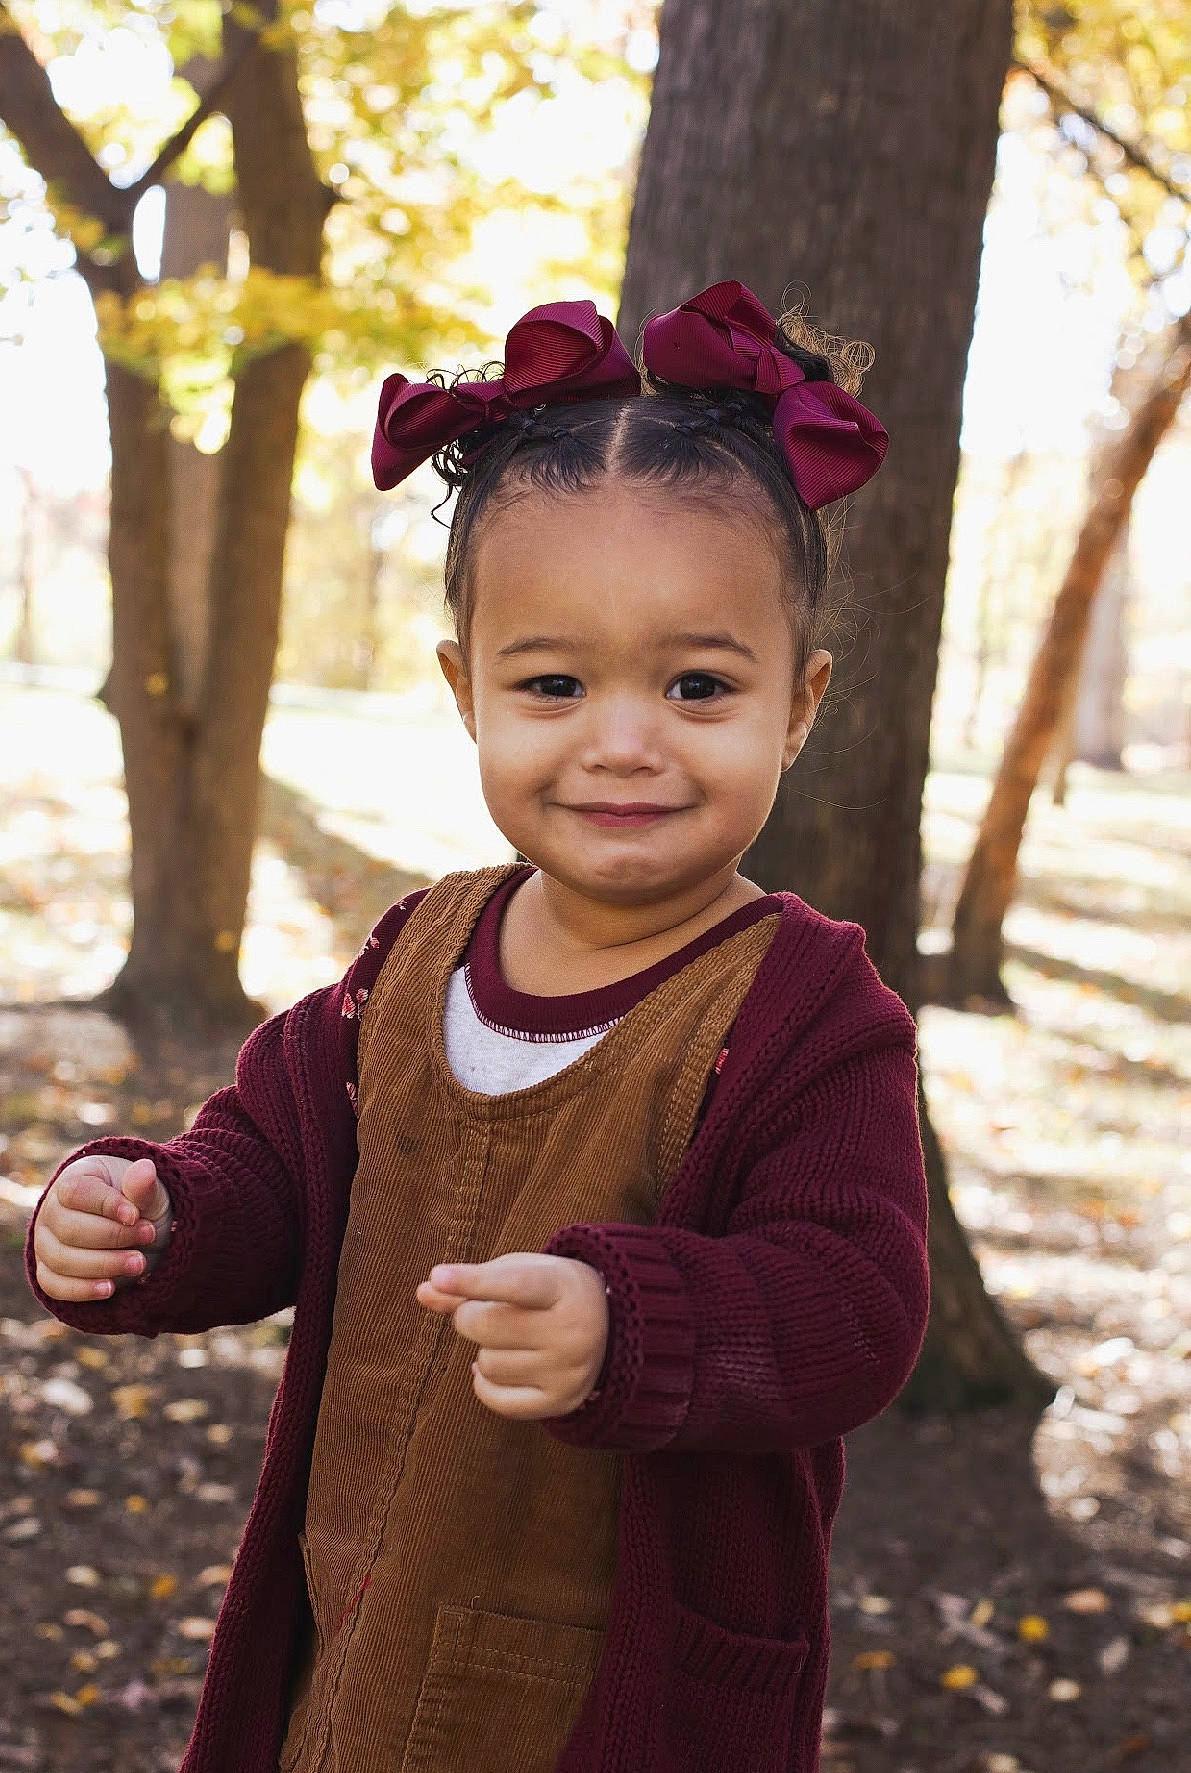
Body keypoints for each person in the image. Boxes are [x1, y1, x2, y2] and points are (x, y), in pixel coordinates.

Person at [27, 280, 929, 1773]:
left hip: (615, 1697)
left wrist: (637, 1324)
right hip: (358, 1641)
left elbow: (858, 1302)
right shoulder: (420, 949)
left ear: (801, 705)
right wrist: (152, 1213)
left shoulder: (802, 1010)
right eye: (554, 682)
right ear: (467, 693)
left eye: (699, 684)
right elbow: (275, 1164)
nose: (622, 737)